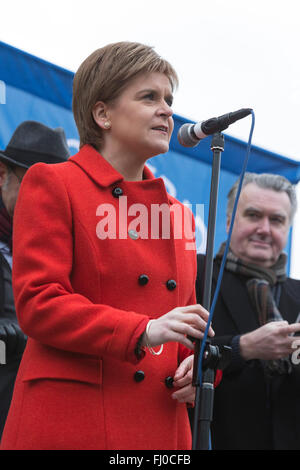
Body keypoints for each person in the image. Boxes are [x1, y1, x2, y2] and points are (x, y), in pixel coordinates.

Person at [1, 42, 215, 451]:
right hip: (73, 422)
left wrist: (200, 366)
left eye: (169, 99)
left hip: (160, 425)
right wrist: (143, 330)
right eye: (149, 97)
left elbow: (185, 323)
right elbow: (38, 303)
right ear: (102, 114)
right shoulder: (54, 183)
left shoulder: (179, 217)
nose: (167, 110)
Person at [196, 172, 300, 450]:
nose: (264, 229)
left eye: (276, 220)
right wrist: (243, 347)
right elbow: (165, 358)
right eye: (253, 215)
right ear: (229, 222)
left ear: (288, 229)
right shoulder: (194, 274)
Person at [0, 120, 70, 440]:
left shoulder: (69, 254)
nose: (45, 199)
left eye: (54, 190)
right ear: (3, 176)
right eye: (34, 184)